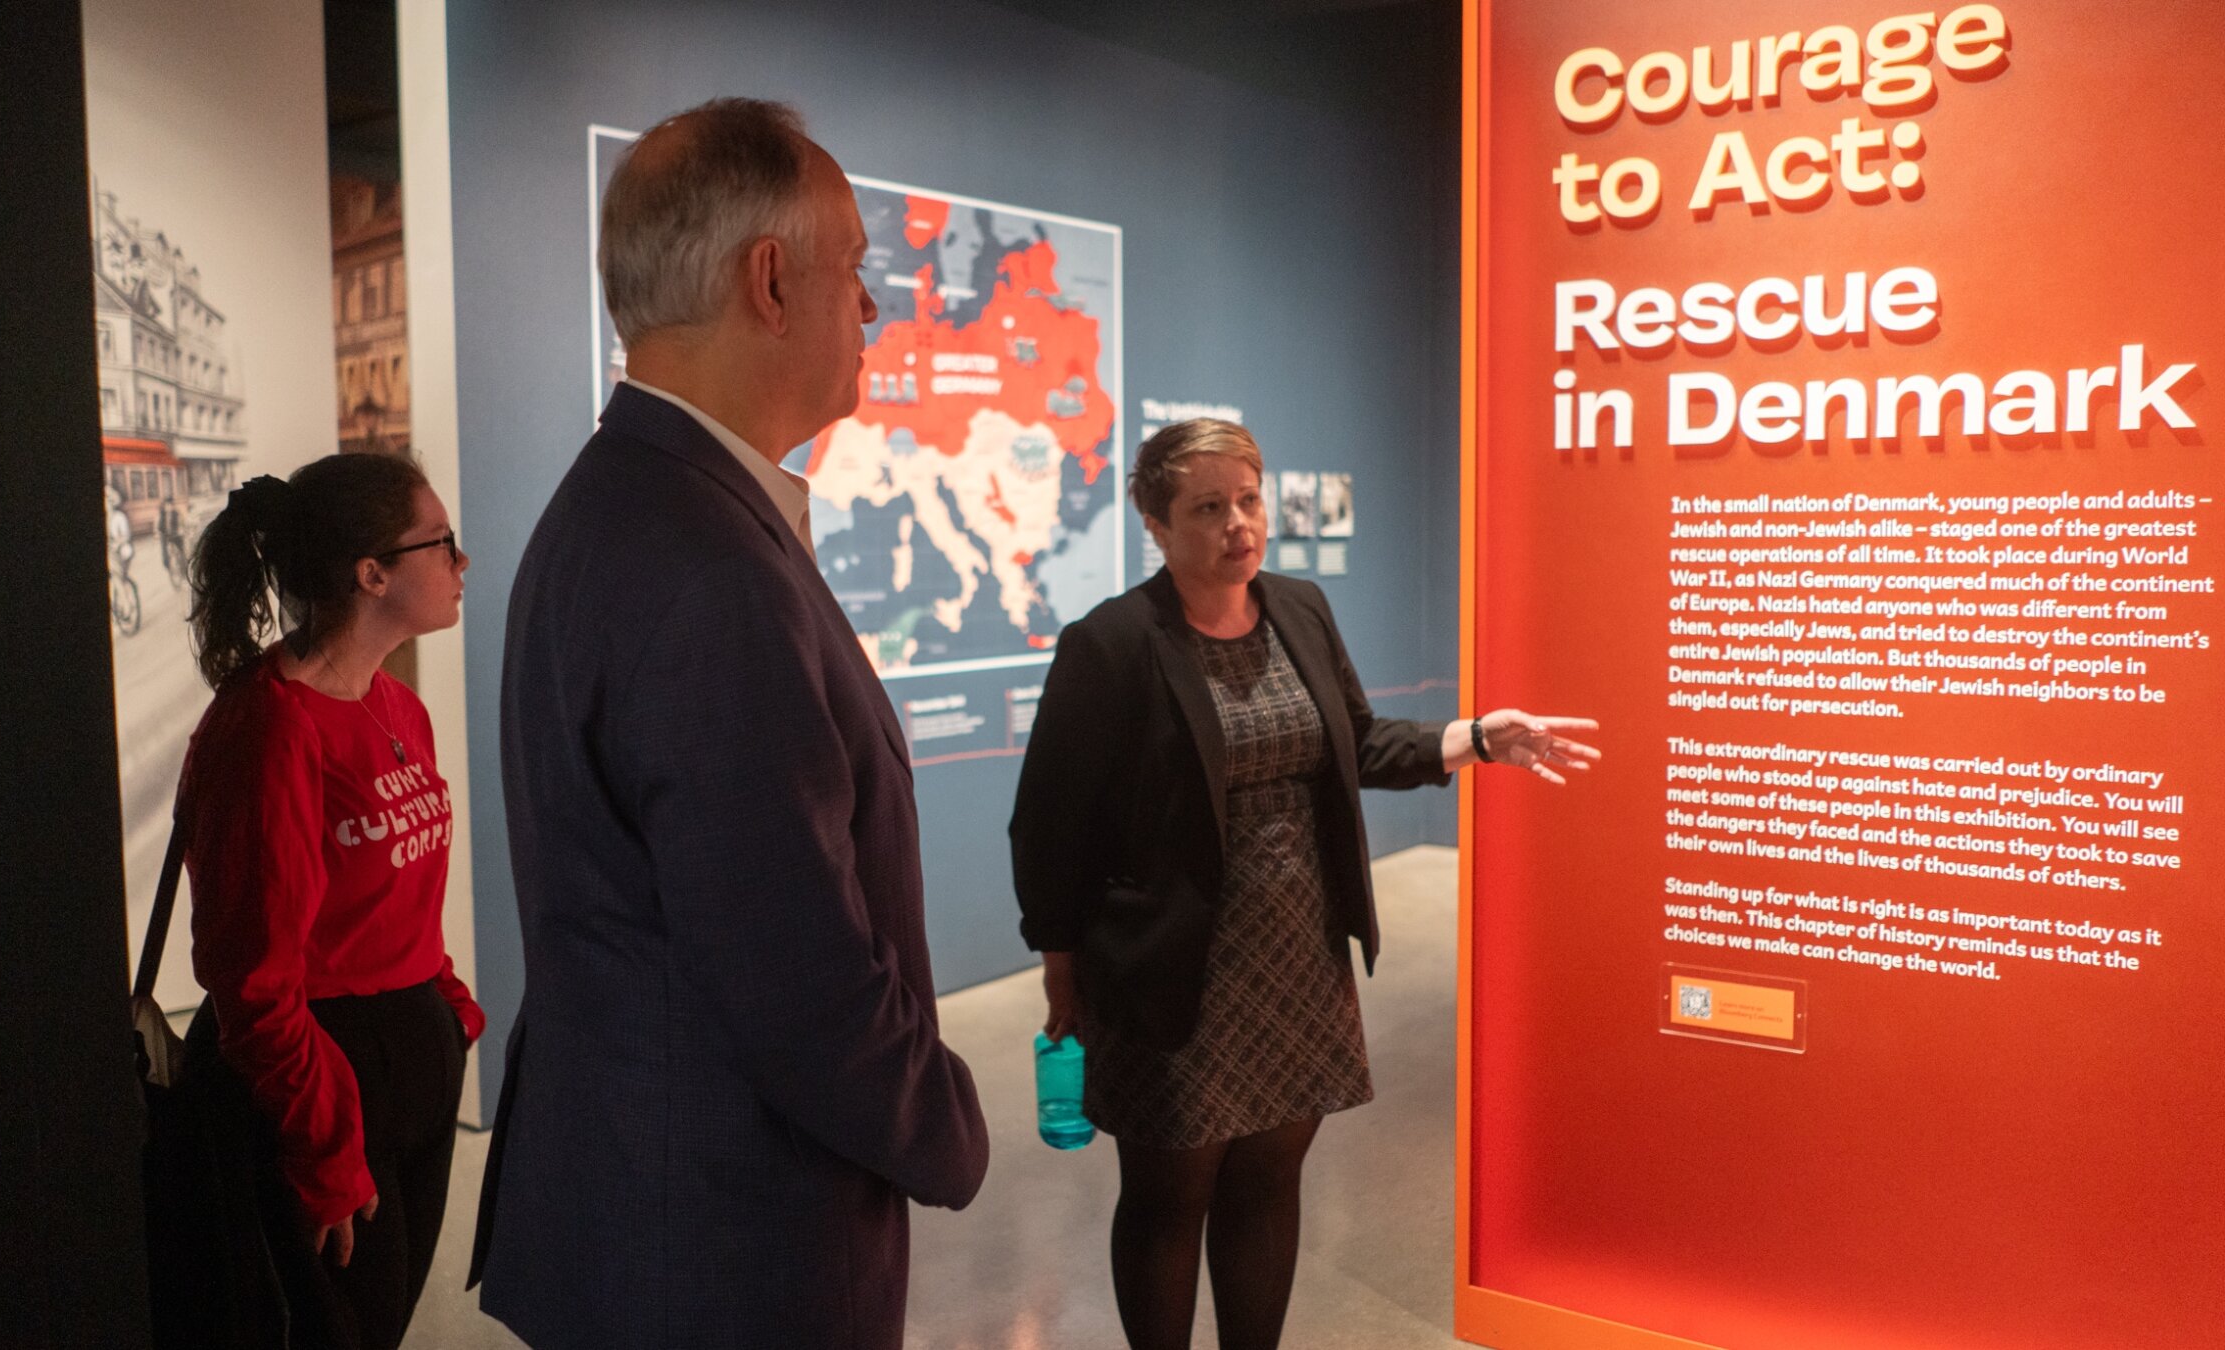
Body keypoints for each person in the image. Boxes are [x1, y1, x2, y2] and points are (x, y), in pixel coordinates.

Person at [471, 98, 989, 1350]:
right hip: (724, 1255)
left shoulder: (620, 506)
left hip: (642, 1218)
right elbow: (798, 980)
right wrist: (948, 1125)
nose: (871, 309)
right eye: (855, 268)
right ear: (770, 280)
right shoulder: (705, 569)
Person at [1010, 418, 1600, 1350]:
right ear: (1156, 525)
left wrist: (1477, 737)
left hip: (1297, 955)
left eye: (1250, 499)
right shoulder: (1114, 644)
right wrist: (1061, 965)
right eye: (1209, 508)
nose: (1240, 524)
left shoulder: (1300, 609)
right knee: (1171, 1195)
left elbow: (1354, 743)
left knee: (1269, 1181)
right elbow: (1049, 822)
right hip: (1175, 966)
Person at [173, 452, 482, 1350]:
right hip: (324, 1083)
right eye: (443, 544)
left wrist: (446, 1003)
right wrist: (322, 1147)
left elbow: (391, 898)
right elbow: (252, 979)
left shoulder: (394, 705)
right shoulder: (268, 728)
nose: (463, 564)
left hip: (406, 1061)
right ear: (371, 572)